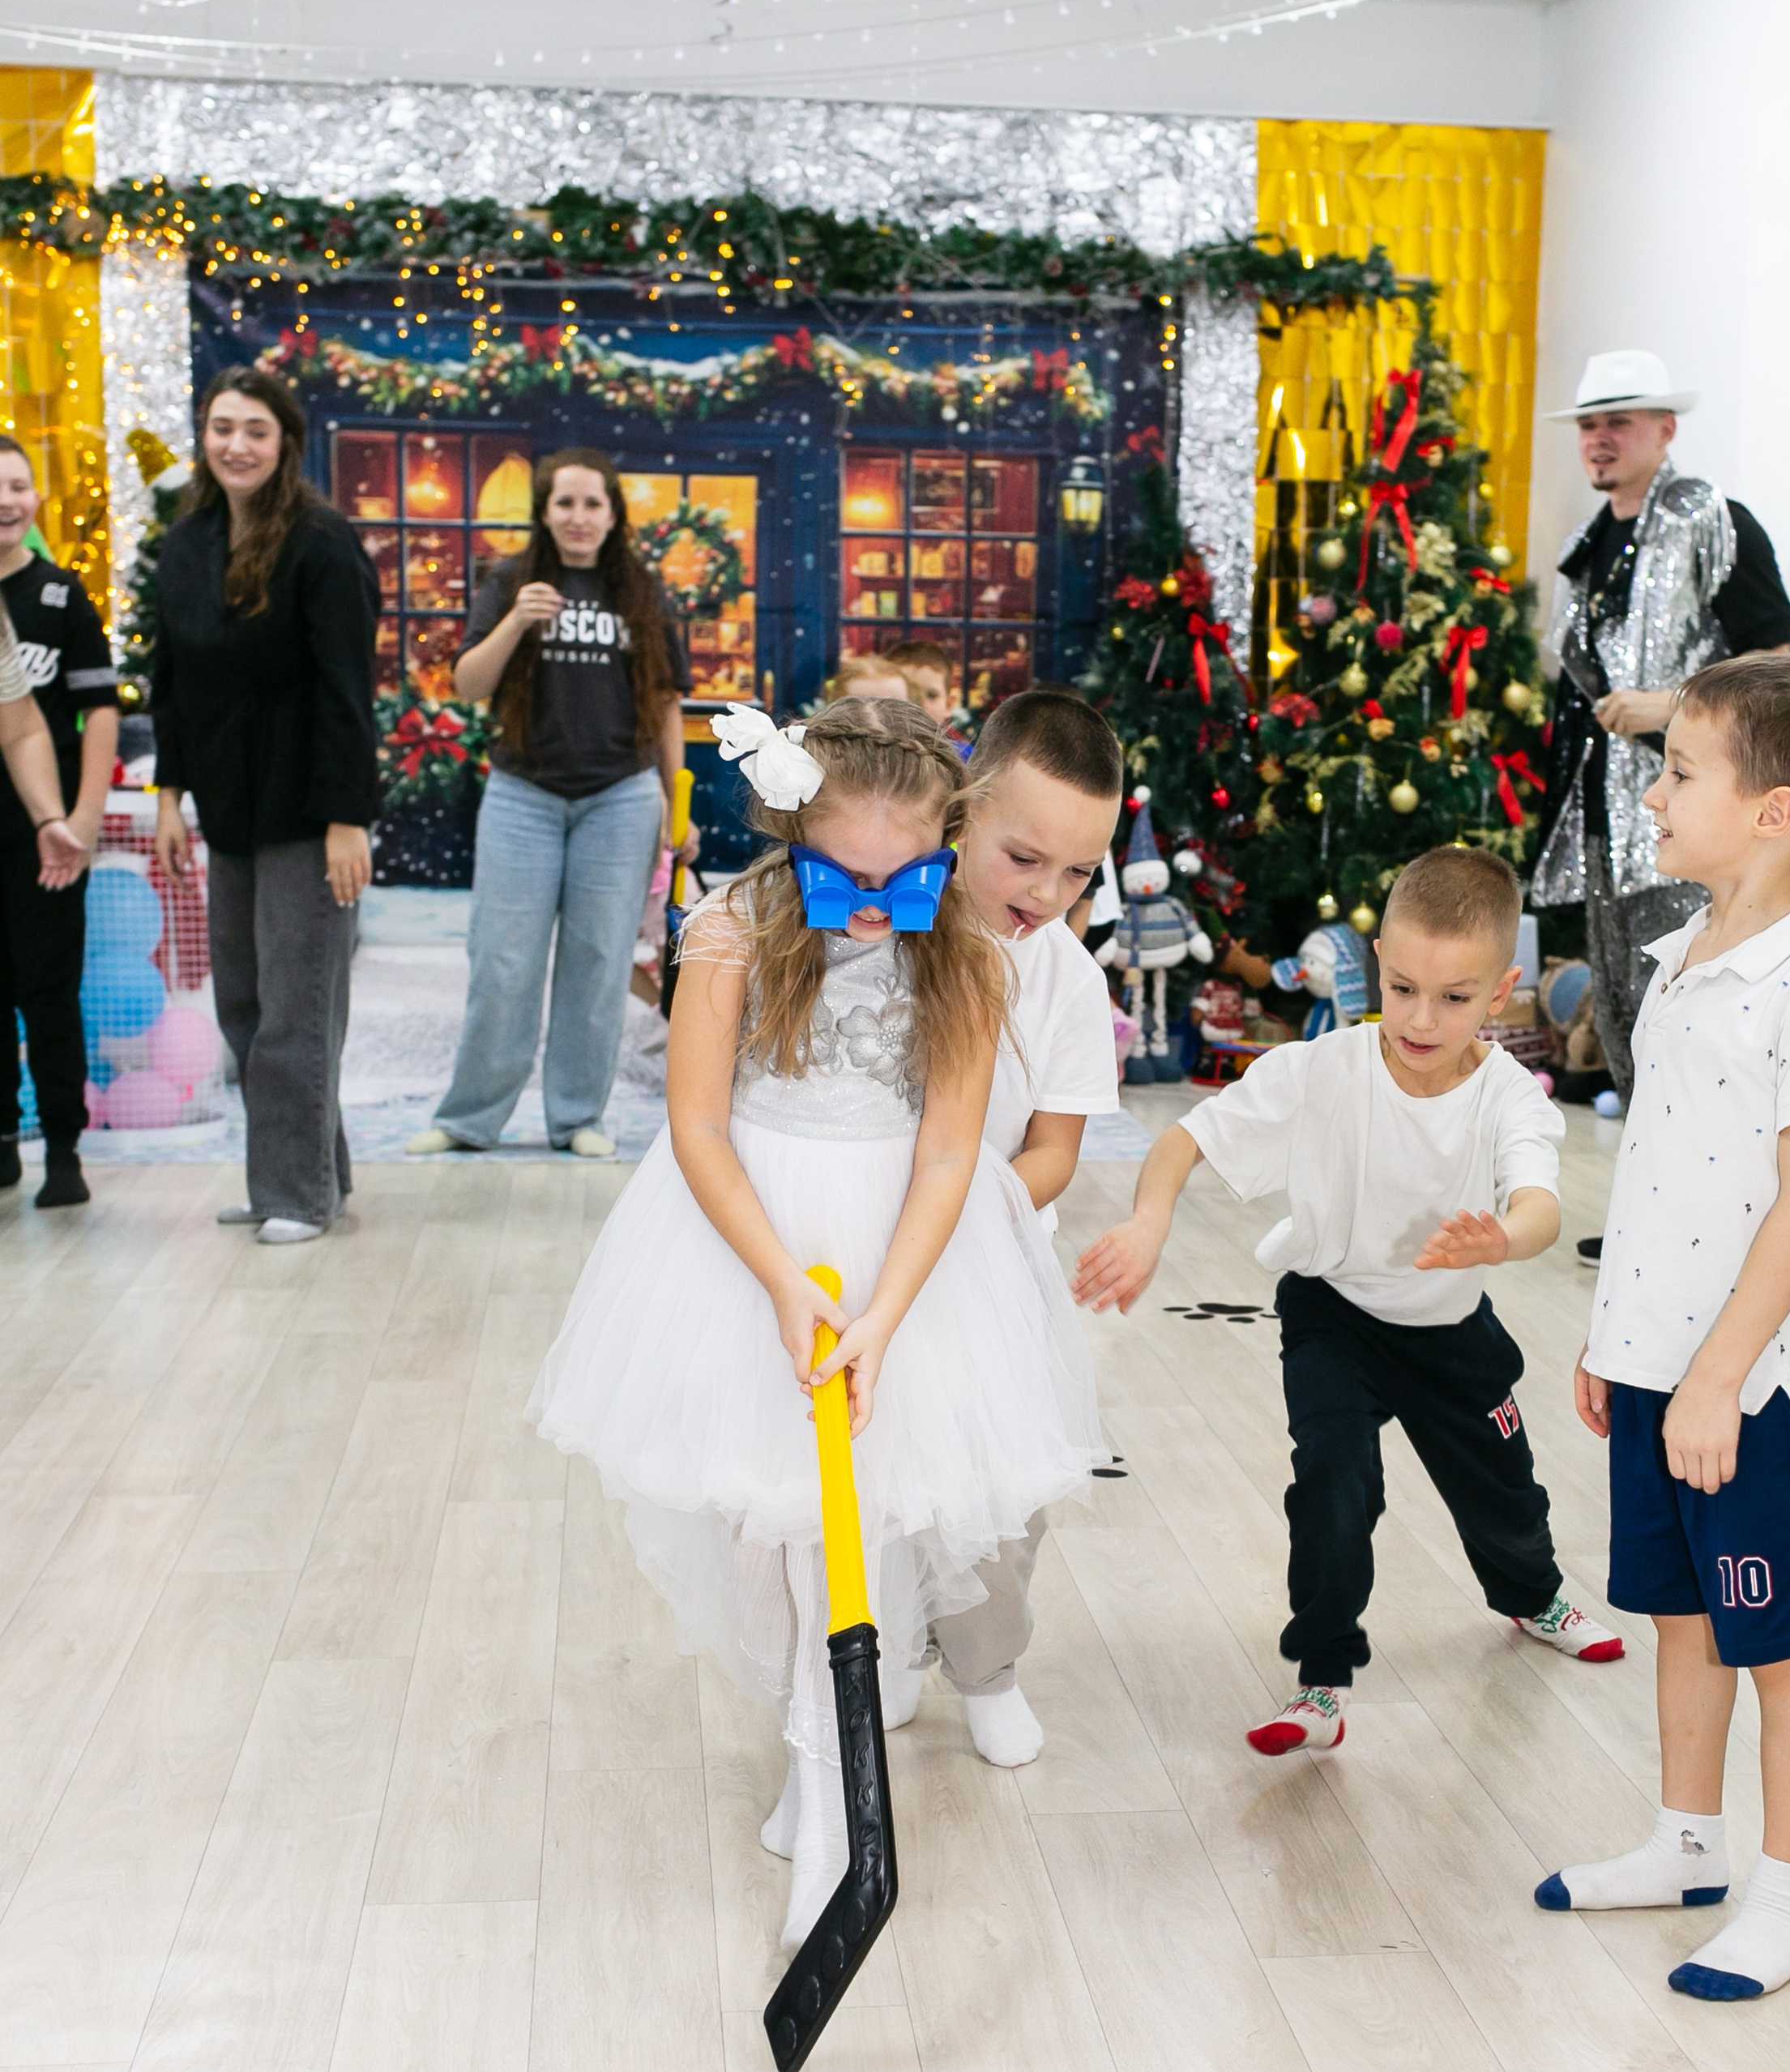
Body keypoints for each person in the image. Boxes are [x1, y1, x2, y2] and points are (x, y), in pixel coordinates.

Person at [528, 697, 1104, 1946]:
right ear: (791, 837)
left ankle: (838, 1764)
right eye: (843, 876)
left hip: (906, 1251)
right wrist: (788, 1284)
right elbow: (694, 1127)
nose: (869, 906)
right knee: (762, 1522)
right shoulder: (733, 927)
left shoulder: (962, 949)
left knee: (870, 1519)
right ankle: (810, 1736)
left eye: (907, 880)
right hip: (747, 1240)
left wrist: (885, 1316)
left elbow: (953, 1154)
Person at [1074, 847, 1623, 1754]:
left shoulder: (1506, 1099)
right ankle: (1320, 1682)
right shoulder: (1321, 1068)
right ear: (1377, 960)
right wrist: (1146, 1225)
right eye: (1402, 986)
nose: (1419, 1016)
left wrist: (1503, 1239)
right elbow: (1187, 1142)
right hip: (1333, 1314)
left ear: (1500, 989)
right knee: (1333, 1484)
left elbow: (1539, 1205)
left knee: (1505, 1497)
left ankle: (1532, 1596)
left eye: (1453, 997)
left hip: (1451, 1330)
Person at [1537, 652, 1790, 2001]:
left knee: (1776, 1642)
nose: (1657, 790)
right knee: (1683, 1615)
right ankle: (1686, 1842)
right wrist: (1615, 1340)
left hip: (1757, 1391)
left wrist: (1720, 1375)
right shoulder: (1691, 950)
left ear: (1774, 811)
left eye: (1682, 770)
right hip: (1657, 1367)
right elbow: (1667, 1169)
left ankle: (1784, 1896)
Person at [1532, 349, 1790, 1259]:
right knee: (1623, 1017)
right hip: (1611, 819)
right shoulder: (1594, 546)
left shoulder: (1711, 524)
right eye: (1590, 424)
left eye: (1622, 420)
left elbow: (1786, 668)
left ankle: (1715, 1226)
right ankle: (1657, 1215)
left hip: (1695, 827)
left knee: (1693, 1022)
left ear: (1665, 430)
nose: (1601, 438)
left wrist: (1676, 705)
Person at [922, 686, 1124, 1766]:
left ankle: (984, 1662)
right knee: (872, 1482)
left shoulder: (1068, 979)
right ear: (961, 811)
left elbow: (1054, 1151)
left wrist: (965, 1207)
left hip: (993, 1265)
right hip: (863, 1260)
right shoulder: (887, 929)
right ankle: (879, 1649)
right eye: (1025, 859)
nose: (1050, 893)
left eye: (1080, 872)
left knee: (1004, 1490)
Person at [410, 449, 689, 1160]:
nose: (579, 517)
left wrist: (671, 798)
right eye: (564, 503)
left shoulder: (641, 590)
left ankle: (577, 1118)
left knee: (597, 962)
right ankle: (470, 1119)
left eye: (593, 504)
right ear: (543, 510)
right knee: (502, 962)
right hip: (522, 794)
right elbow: (469, 685)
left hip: (620, 796)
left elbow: (664, 701)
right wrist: (514, 623)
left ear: (613, 513)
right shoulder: (509, 580)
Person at [153, 368, 379, 1244]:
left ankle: (294, 1193)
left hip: (310, 817)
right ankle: (304, 1170)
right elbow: (171, 685)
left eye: (256, 429)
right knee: (245, 1007)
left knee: (298, 1008)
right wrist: (170, 795)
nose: (237, 444)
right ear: (204, 436)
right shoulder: (188, 543)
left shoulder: (323, 545)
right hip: (228, 814)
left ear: (285, 440)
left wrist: (346, 817)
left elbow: (346, 691)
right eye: (222, 427)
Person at [0, 438, 115, 1207]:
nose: (6, 500)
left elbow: (80, 714)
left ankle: (64, 1150)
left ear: (36, 497)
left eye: (17, 485)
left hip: (44, 842)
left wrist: (78, 817)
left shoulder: (59, 596)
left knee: (49, 989)